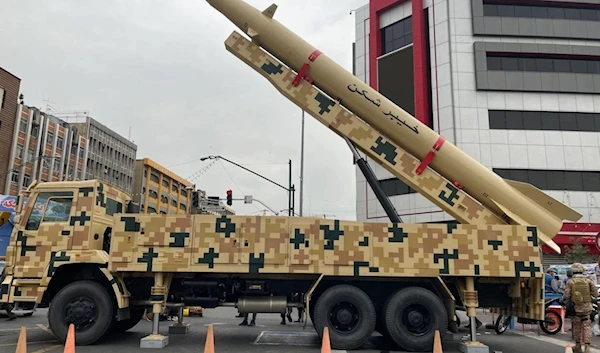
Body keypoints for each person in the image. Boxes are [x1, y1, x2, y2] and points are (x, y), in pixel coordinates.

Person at [563, 262, 598, 353]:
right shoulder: (588, 281)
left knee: (577, 327)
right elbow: (596, 294)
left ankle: (578, 346)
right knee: (587, 327)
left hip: (576, 308)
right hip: (587, 307)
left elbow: (566, 296)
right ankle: (587, 347)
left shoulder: (570, 282)